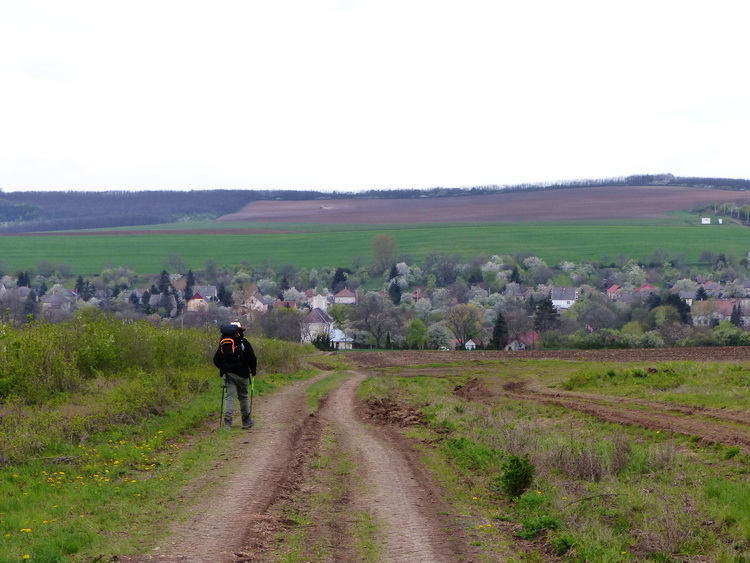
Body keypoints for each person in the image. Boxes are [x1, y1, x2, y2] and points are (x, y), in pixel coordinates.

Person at [213, 321, 257, 429]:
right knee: (243, 397)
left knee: (229, 397)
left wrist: (223, 369)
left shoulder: (223, 343)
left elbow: (216, 360)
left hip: (228, 374)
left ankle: (227, 423)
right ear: (240, 331)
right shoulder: (243, 342)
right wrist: (253, 371)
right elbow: (252, 358)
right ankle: (246, 421)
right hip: (242, 373)